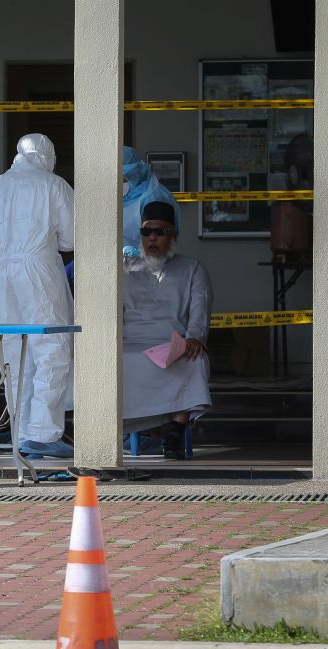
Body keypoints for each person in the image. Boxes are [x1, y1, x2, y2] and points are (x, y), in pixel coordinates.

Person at [0, 133, 74, 459]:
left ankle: (21, 432)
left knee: (14, 351)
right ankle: (42, 433)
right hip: (39, 269)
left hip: (2, 274)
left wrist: (8, 254)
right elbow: (72, 238)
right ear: (47, 156)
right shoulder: (53, 184)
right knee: (51, 346)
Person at [123, 201, 212, 459]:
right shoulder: (125, 268)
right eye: (146, 232)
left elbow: (200, 308)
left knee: (195, 361)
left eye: (160, 232)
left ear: (173, 235)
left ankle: (175, 429)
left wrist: (194, 337)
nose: (152, 238)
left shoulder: (192, 268)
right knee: (111, 363)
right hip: (130, 342)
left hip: (170, 344)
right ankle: (150, 429)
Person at [122, 146, 181, 258]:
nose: (121, 183)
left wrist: (139, 254)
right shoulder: (128, 196)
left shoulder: (154, 197)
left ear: (136, 173)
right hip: (125, 267)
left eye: (125, 179)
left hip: (150, 265)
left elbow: (160, 239)